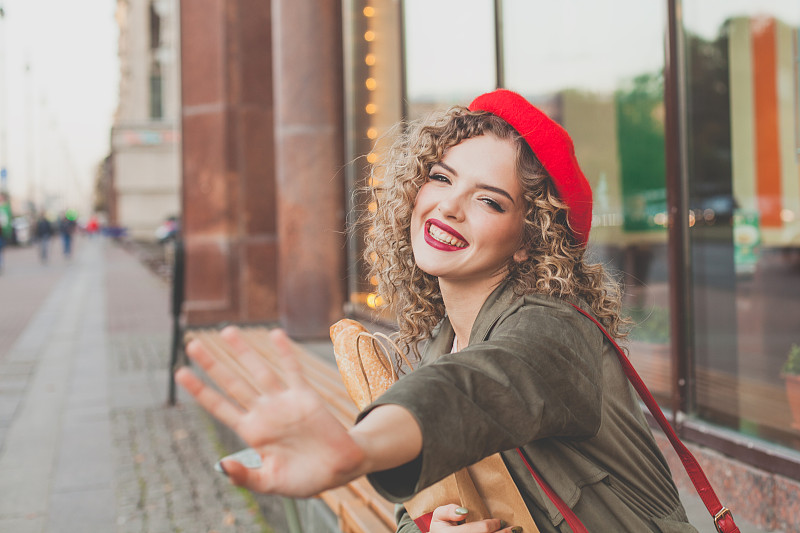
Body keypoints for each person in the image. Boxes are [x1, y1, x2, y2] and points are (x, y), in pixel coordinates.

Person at [176, 89, 699, 532]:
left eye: (489, 201)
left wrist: (355, 450)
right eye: (443, 178)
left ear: (527, 240)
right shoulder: (442, 341)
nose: (449, 206)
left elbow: (478, 389)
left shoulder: (554, 328)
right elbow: (426, 499)